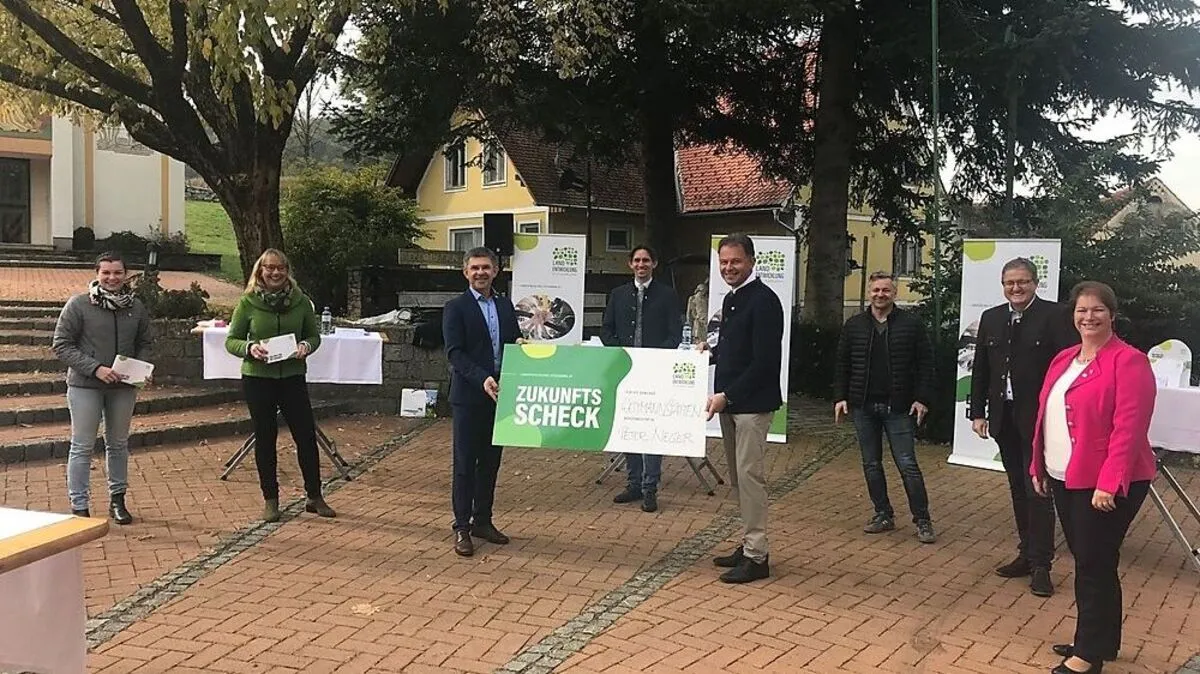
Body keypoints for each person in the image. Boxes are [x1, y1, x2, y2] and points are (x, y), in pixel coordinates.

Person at [1030, 281, 1156, 674]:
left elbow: (1129, 428)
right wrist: (1038, 464)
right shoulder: (1065, 358)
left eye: (1097, 310)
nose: (1088, 317)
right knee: (1095, 560)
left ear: (1112, 315)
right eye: (1082, 311)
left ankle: (1088, 654)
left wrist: (1109, 481)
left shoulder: (1128, 361)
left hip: (1105, 482)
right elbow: (1045, 415)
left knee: (1093, 563)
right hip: (1065, 475)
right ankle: (1101, 640)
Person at [970, 257, 1078, 597]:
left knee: (1038, 489)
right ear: (1003, 286)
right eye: (1009, 283)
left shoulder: (1055, 316)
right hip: (1003, 418)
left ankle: (1042, 565)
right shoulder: (991, 318)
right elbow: (981, 371)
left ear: (1035, 283)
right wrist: (977, 412)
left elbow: (1067, 367)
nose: (1016, 288)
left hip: (1039, 419)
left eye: (1022, 282)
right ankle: (1026, 554)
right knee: (1018, 487)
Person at [225, 249, 335, 523]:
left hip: (292, 376)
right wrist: (250, 348)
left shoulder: (301, 302)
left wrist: (306, 345)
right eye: (270, 268)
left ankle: (314, 495)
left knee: (306, 436)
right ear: (260, 271)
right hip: (258, 378)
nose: (275, 273)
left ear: (288, 271)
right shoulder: (247, 302)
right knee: (265, 438)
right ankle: (270, 499)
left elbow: (314, 334)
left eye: (280, 269)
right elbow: (232, 340)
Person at [700, 234, 783, 584]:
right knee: (739, 479)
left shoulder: (764, 301)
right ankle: (748, 543)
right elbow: (737, 350)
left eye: (735, 262)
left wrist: (726, 396)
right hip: (731, 405)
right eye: (723, 263)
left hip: (748, 407)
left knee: (750, 480)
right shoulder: (734, 300)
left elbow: (764, 362)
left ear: (751, 260)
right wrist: (710, 352)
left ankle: (757, 556)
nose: (728, 268)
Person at [834, 271, 937, 543]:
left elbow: (926, 364)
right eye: (876, 290)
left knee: (907, 464)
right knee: (871, 463)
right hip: (863, 406)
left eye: (886, 290)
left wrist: (922, 398)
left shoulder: (911, 324)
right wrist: (840, 396)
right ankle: (883, 514)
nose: (880, 295)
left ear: (895, 294)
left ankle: (923, 519)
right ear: (869, 293)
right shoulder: (854, 325)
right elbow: (842, 364)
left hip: (899, 407)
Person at [52, 252, 151, 523]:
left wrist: (140, 367)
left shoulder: (136, 307)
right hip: (85, 385)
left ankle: (117, 500)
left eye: (117, 272)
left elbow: (145, 341)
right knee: (82, 446)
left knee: (118, 444)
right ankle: (79, 505)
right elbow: (61, 345)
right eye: (106, 272)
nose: (111, 278)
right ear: (97, 274)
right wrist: (95, 368)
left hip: (123, 387)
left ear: (125, 275)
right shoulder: (79, 305)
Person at [443, 246, 521, 557]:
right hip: (469, 396)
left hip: (500, 395)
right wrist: (481, 379)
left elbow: (513, 342)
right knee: (465, 464)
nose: (480, 273)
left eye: (486, 268)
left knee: (490, 462)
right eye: (474, 268)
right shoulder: (455, 307)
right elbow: (454, 353)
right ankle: (462, 526)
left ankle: (483, 520)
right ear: (465, 272)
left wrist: (524, 351)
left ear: (495, 271)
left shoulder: (504, 305)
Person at [601, 245, 683, 513]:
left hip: (654, 371)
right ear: (630, 264)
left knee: (651, 431)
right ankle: (633, 483)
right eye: (636, 260)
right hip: (625, 371)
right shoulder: (618, 294)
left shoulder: (667, 295)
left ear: (654, 264)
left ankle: (650, 488)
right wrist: (618, 353)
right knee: (630, 428)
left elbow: (675, 333)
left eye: (646, 260)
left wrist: (657, 358)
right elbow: (606, 330)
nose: (641, 264)